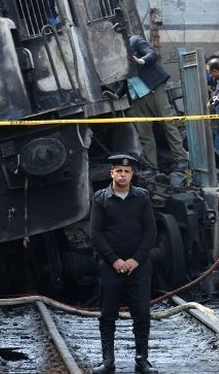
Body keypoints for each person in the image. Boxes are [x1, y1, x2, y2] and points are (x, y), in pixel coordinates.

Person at [90, 154, 157, 374]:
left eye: (127, 171)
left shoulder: (142, 198)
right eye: (119, 171)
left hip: (139, 266)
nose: (122, 175)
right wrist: (114, 260)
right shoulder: (101, 199)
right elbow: (96, 233)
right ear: (112, 173)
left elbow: (150, 231)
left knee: (142, 314)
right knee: (107, 315)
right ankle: (108, 360)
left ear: (132, 174)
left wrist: (135, 260)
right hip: (110, 266)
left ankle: (142, 359)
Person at [126, 35, 189, 175]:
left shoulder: (134, 41)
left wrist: (140, 61)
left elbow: (152, 54)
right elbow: (124, 78)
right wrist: (117, 94)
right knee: (144, 133)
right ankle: (151, 166)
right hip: (135, 96)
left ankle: (181, 159)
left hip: (153, 88)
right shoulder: (112, 52)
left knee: (168, 124)